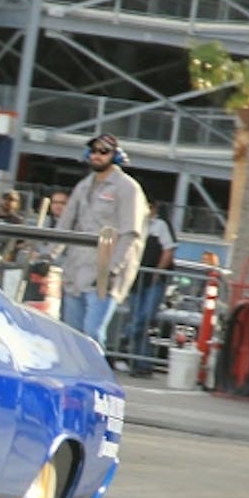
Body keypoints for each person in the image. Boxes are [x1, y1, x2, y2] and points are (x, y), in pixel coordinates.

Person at [55, 133, 147, 347]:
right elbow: (64, 225)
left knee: (92, 335)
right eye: (94, 151)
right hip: (76, 268)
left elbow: (130, 234)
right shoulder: (83, 186)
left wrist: (112, 270)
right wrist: (47, 255)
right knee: (71, 335)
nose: (97, 155)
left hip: (105, 271)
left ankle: (95, 369)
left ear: (115, 155)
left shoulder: (128, 188)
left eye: (104, 151)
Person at [122, 201, 177, 377]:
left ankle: (125, 336)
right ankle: (142, 363)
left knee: (144, 317)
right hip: (136, 279)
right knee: (139, 319)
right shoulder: (133, 224)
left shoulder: (160, 226)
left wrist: (158, 272)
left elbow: (169, 250)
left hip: (153, 280)